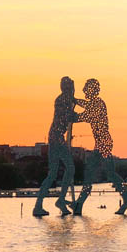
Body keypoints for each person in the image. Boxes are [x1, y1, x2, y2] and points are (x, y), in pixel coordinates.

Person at [70, 78, 127, 215]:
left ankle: (79, 205)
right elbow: (86, 106)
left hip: (103, 143)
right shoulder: (95, 103)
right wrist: (75, 101)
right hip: (102, 143)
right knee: (108, 173)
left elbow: (85, 116)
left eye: (86, 88)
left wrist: (72, 115)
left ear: (92, 90)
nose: (84, 91)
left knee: (91, 174)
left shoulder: (98, 104)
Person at [33, 76, 78, 217]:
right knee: (69, 169)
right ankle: (59, 201)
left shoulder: (67, 99)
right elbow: (70, 117)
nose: (72, 90)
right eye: (71, 87)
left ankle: (41, 205)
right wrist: (89, 116)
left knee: (54, 173)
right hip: (57, 139)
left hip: (57, 138)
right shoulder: (62, 100)